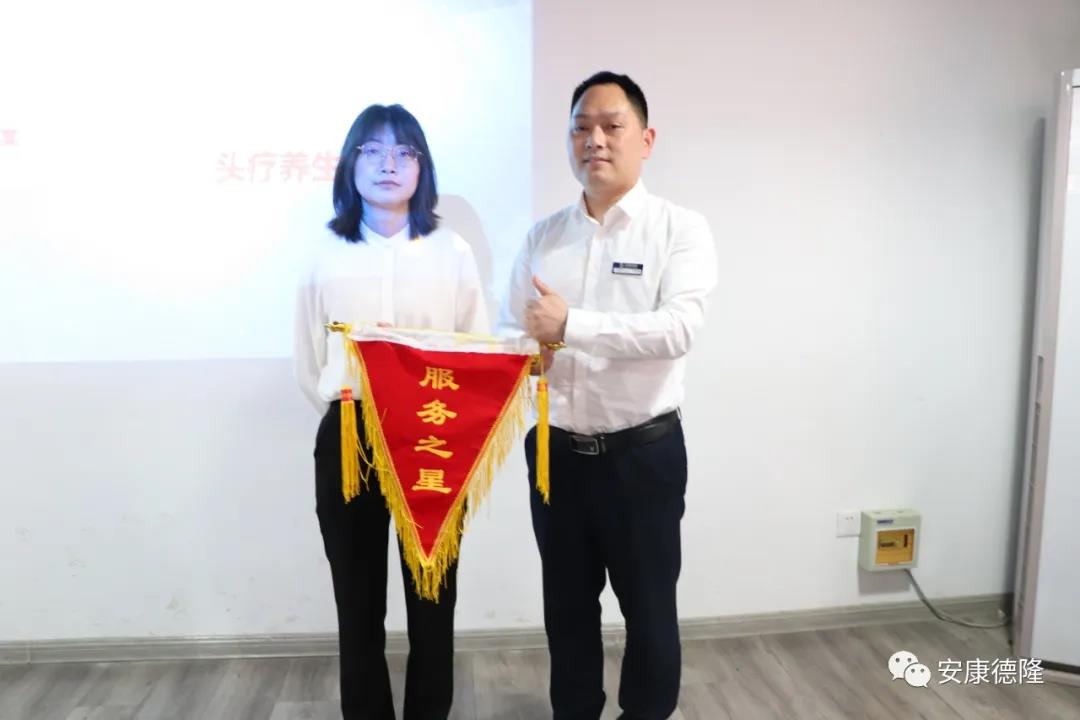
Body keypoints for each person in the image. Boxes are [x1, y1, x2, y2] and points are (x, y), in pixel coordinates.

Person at [499, 71, 718, 720]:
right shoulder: (543, 238)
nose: (594, 140)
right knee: (566, 612)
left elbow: (678, 330)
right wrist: (527, 354)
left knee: (650, 614)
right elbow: (515, 332)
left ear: (645, 140)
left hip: (641, 456)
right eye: (580, 128)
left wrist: (571, 326)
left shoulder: (679, 229)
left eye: (611, 126)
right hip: (555, 454)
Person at [294, 103, 488, 720]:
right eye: (372, 150)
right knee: (357, 604)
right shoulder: (325, 251)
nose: (388, 164)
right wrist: (353, 413)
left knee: (433, 600)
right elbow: (310, 359)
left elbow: (474, 350)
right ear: (350, 164)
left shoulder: (452, 250)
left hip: (431, 438)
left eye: (405, 152)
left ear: (421, 168)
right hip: (350, 436)